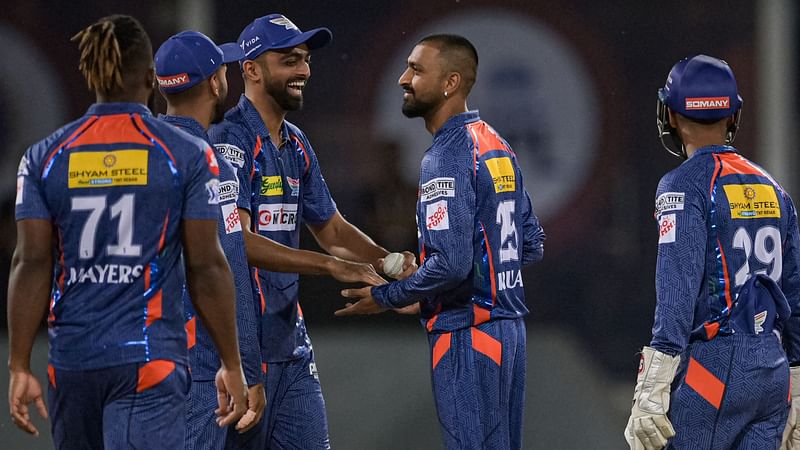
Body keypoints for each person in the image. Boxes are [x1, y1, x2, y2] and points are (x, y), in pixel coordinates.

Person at [7, 15, 248, 449]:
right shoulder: (184, 154)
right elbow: (207, 264)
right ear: (151, 79)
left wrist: (19, 365)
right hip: (148, 357)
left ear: (90, 75)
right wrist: (232, 361)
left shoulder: (44, 157)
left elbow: (31, 262)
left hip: (72, 360)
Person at [336, 34, 546, 450]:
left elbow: (450, 265)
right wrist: (462, 286)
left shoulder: (445, 156)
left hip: (467, 334)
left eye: (416, 69)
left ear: (450, 83)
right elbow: (532, 242)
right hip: (509, 334)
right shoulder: (496, 144)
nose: (403, 79)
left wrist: (388, 296)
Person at [210, 14, 410, 449]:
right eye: (289, 60)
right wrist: (331, 266)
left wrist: (390, 266)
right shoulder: (229, 142)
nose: (304, 70)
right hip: (241, 348)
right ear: (251, 69)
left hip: (291, 346)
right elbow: (237, 243)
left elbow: (333, 228)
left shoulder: (295, 143)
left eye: (304, 59)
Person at [624, 54, 800, 450]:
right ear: (733, 115)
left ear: (670, 114)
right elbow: (795, 294)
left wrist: (652, 387)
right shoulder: (774, 189)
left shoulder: (682, 185)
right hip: (772, 368)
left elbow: (677, 290)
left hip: (716, 367)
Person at [154, 30, 266, 448]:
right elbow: (228, 265)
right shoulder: (209, 161)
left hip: (131, 360)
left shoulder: (141, 152)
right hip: (197, 367)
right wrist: (245, 368)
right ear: (215, 82)